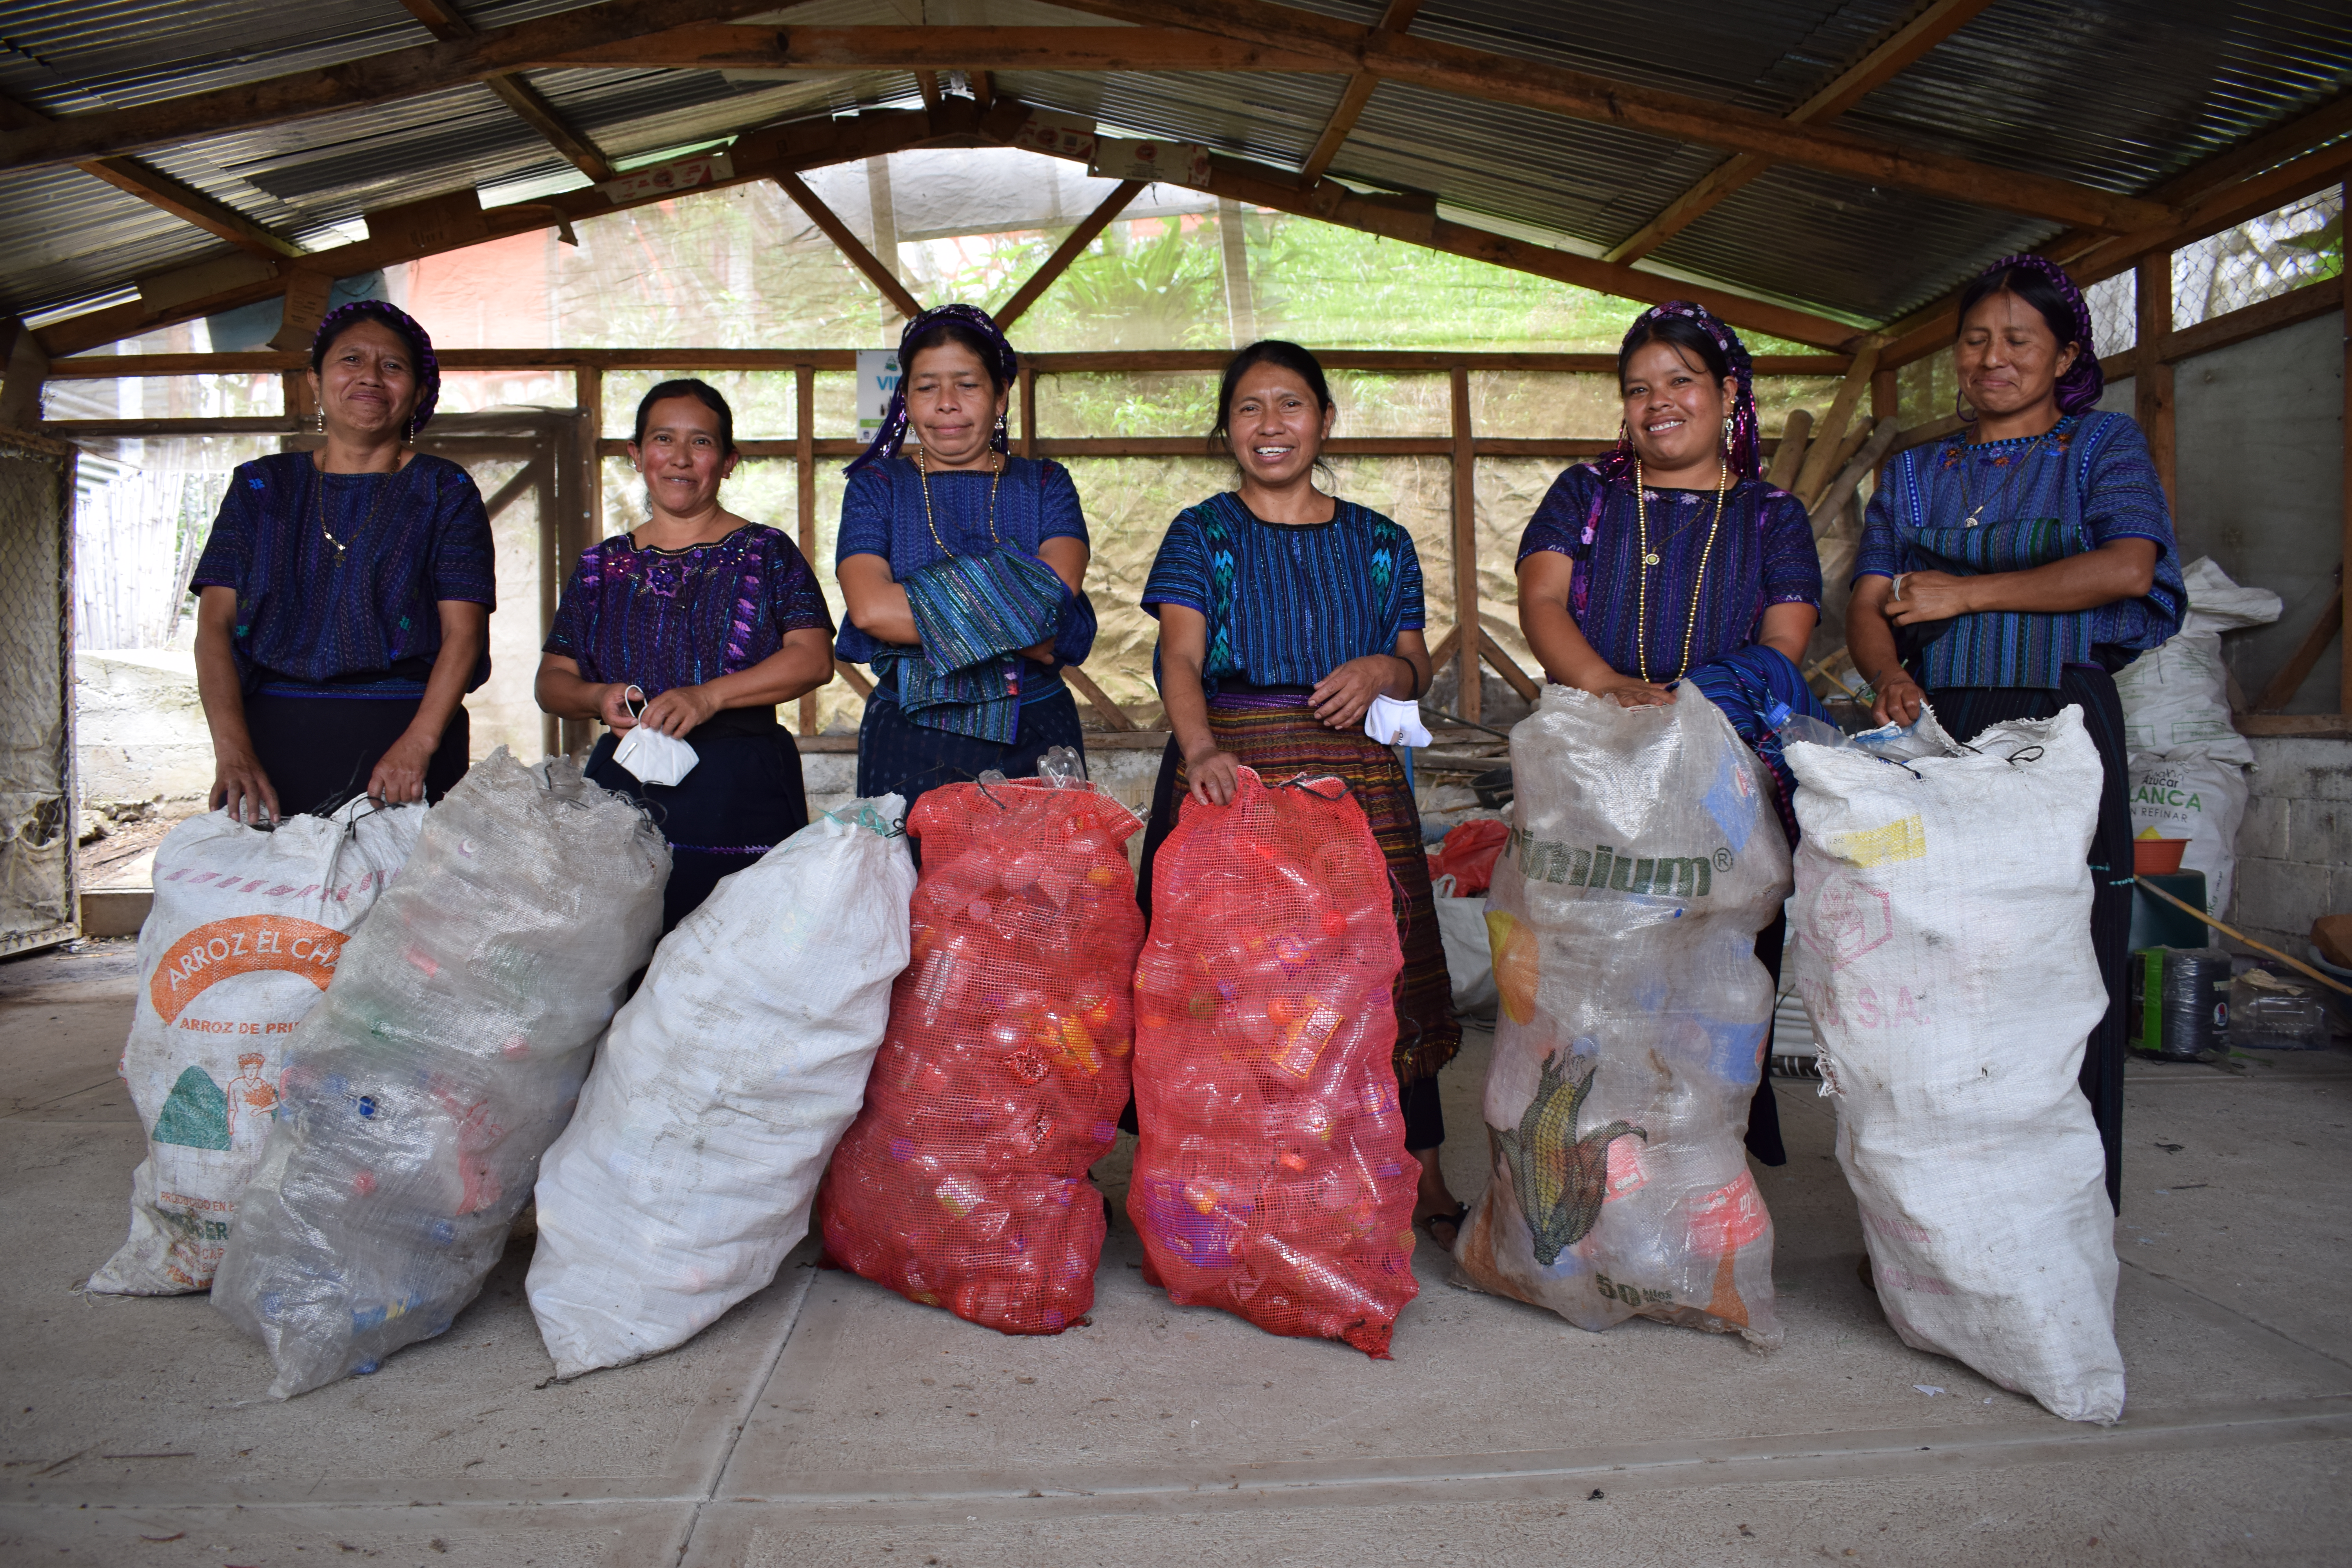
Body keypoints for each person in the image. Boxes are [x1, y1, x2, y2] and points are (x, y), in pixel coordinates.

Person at [1848, 254, 2185, 1211]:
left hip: (2059, 726)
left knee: (2066, 959)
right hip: (1938, 724)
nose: (1992, 357)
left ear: (2065, 354)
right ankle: (1935, 1226)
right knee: (1934, 959)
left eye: (2019, 340)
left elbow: (2127, 567)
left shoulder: (2102, 447)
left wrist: (1966, 593)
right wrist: (1889, 673)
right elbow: (1869, 601)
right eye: (1976, 340)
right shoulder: (1916, 473)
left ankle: (2063, 1220)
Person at [1138, 339, 1465, 1246]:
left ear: (1324, 419)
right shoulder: (1202, 533)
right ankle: (1232, 1182)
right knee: (1230, 986)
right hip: (1230, 776)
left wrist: (1383, 669)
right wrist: (1202, 748)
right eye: (1249, 407)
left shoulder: (1381, 542)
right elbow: (1179, 657)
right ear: (1226, 429)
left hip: (1353, 784)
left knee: (1385, 971)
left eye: (1290, 404)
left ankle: (1423, 1175)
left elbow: (1417, 664)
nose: (1270, 424)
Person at [1514, 300, 1829, 1169]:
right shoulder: (1586, 494)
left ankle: (1701, 1168)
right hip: (1594, 772)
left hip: (1719, 776)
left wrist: (1690, 714)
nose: (1658, 402)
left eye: (1681, 381)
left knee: (1715, 978)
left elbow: (1784, 641)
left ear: (1728, 393)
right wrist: (1609, 688)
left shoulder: (1771, 514)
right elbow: (1542, 601)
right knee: (1587, 978)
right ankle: (1586, 1155)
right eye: (1638, 388)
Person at [537, 379, 836, 932]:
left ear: (728, 462)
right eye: (663, 439)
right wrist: (597, 696)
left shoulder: (766, 552)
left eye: (700, 442)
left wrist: (708, 697)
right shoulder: (600, 567)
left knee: (739, 944)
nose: (679, 457)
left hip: (741, 786)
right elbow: (552, 679)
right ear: (636, 455)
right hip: (626, 785)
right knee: (622, 949)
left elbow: (814, 658)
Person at [192, 300, 491, 821]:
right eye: (351, 360)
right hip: (270, 752)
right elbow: (214, 628)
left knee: (406, 876)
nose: (370, 376)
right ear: (315, 380)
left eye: (392, 366)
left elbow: (463, 633)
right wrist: (233, 752)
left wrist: (418, 745)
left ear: (419, 393)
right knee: (275, 877)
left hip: (405, 751)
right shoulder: (260, 487)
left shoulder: (445, 489)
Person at [835, 305, 1096, 811]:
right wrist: (1021, 626)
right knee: (908, 864)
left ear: (1001, 396)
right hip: (907, 736)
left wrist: (920, 613)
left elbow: (1057, 587)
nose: (947, 404)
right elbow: (870, 609)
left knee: (1039, 865)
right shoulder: (877, 487)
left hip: (1035, 731)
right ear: (906, 399)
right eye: (926, 387)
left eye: (968, 385)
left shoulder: (1046, 484)